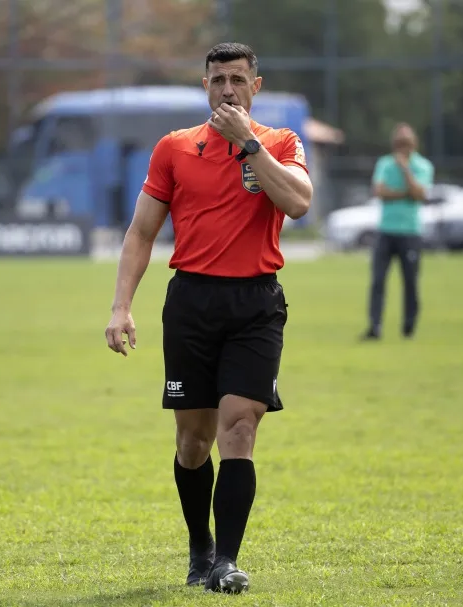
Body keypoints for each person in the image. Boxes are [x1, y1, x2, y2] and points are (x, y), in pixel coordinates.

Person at [104, 42, 312, 594]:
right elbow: (141, 232)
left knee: (239, 427)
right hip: (192, 304)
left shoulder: (280, 142)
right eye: (218, 80)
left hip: (256, 305)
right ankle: (201, 547)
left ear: (255, 86)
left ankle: (226, 561)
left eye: (238, 79)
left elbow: (298, 203)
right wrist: (121, 306)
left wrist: (248, 144)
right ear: (205, 86)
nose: (228, 90)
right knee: (192, 442)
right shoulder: (174, 148)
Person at [361, 123, 435, 341]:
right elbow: (379, 191)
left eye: (406, 143)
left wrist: (405, 170)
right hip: (386, 231)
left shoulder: (422, 166)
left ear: (414, 144)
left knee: (410, 282)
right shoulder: (384, 163)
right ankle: (375, 327)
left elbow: (420, 194)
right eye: (399, 143)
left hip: (410, 232)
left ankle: (409, 327)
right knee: (378, 281)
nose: (402, 148)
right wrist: (405, 193)